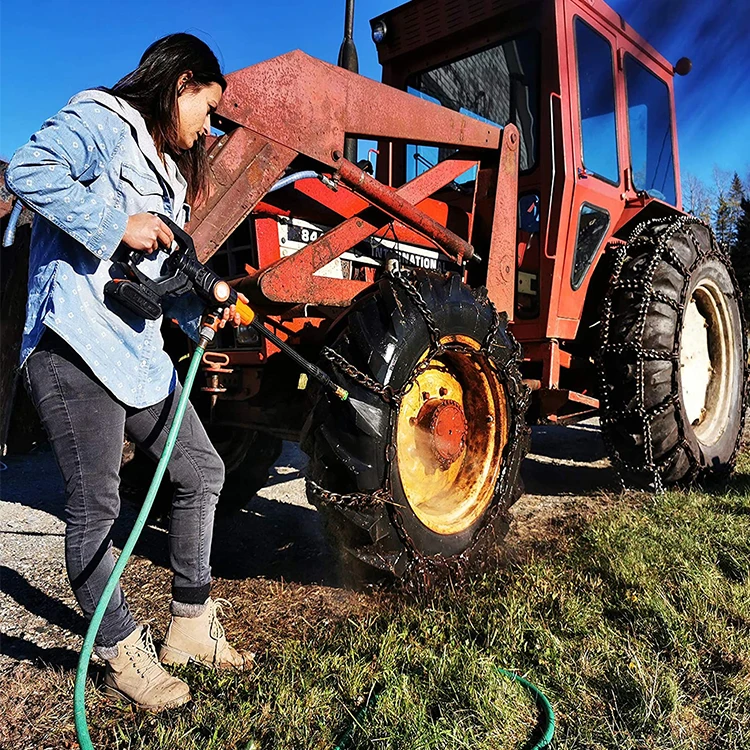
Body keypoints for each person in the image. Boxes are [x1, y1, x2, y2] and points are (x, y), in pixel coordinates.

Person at [5, 33, 254, 712]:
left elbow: (151, 279)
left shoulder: (172, 177)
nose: (209, 127)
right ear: (182, 84)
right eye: (208, 108)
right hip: (75, 343)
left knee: (201, 470)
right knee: (97, 508)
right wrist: (117, 220)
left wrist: (192, 317)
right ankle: (120, 651)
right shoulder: (102, 120)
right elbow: (28, 170)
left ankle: (191, 629)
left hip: (136, 356)